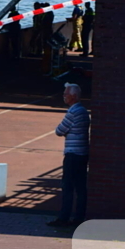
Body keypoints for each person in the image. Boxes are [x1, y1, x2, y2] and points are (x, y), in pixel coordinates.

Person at [48, 83, 90, 227]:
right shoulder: (84, 111)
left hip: (72, 154)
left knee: (67, 186)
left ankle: (64, 217)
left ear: (73, 96)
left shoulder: (73, 112)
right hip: (83, 153)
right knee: (81, 187)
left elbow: (59, 130)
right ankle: (79, 217)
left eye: (66, 94)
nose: (64, 96)